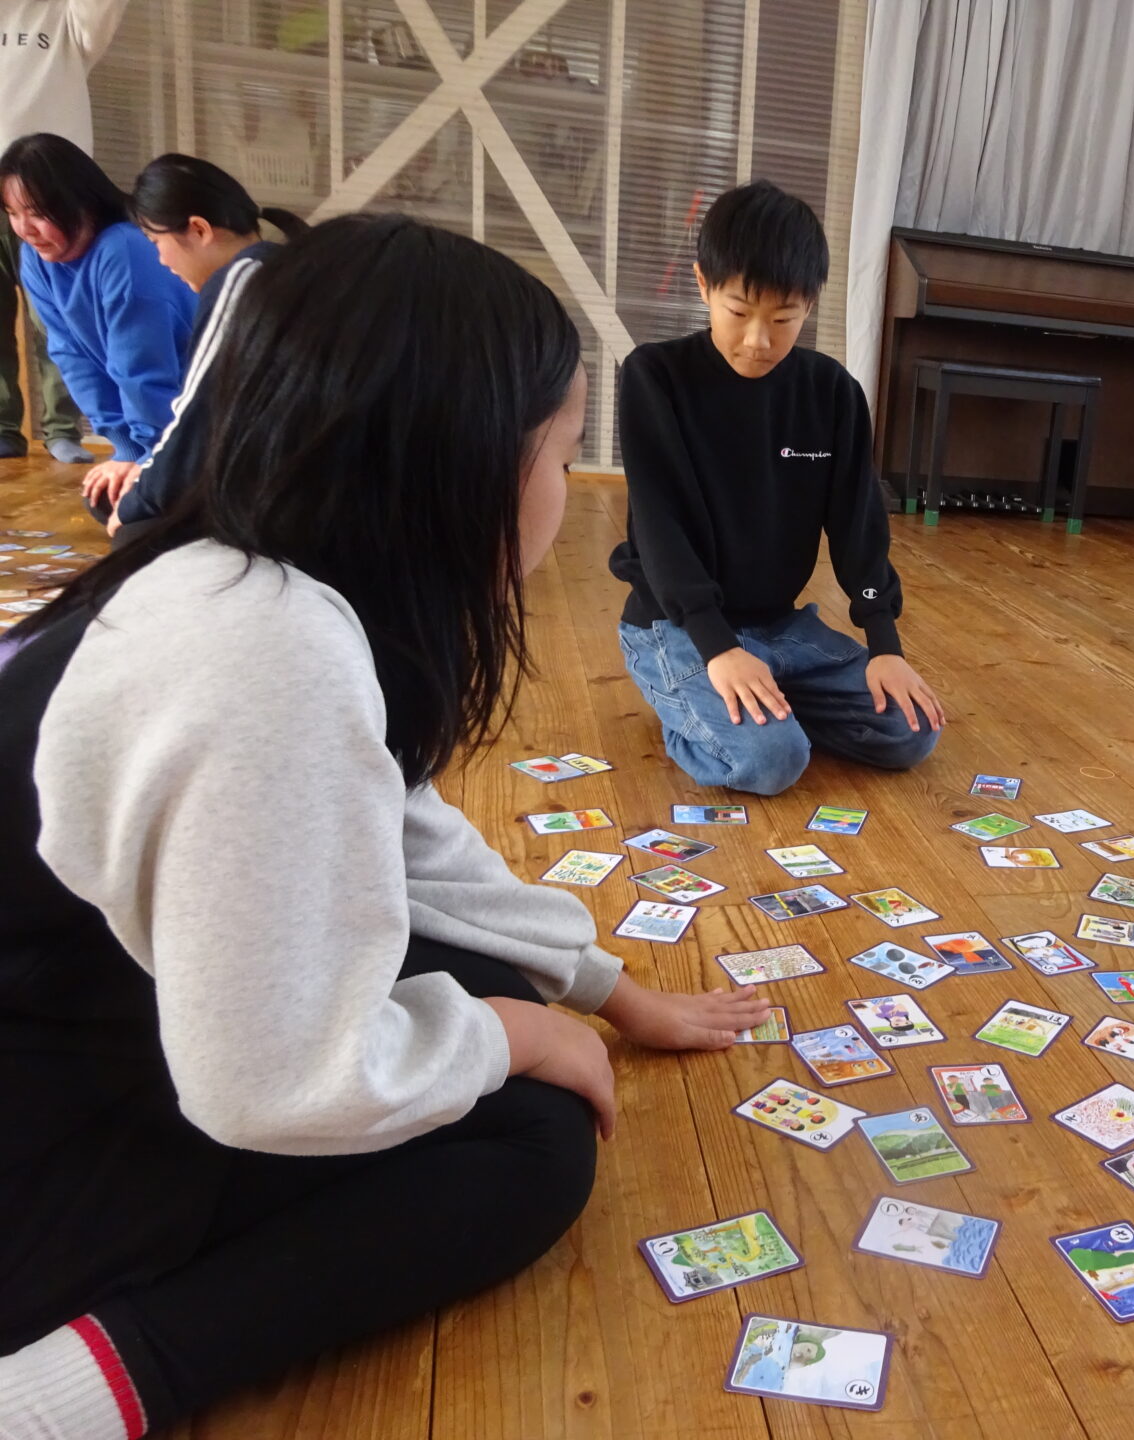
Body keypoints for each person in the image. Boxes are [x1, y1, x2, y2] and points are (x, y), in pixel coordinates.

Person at [0, 213, 770, 1440]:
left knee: (470, 975)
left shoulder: (245, 573)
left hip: (81, 1010)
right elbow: (265, 1087)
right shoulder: (271, 652)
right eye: (562, 457)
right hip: (40, 1137)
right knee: (534, 1147)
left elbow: (407, 842)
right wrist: (511, 1032)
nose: (568, 496)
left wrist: (605, 991)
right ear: (458, 464)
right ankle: (82, 1388)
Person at [610, 179, 943, 796]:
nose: (758, 339)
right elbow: (660, 529)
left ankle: (767, 697)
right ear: (704, 285)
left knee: (910, 730)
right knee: (769, 762)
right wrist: (717, 646)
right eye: (738, 312)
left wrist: (885, 645)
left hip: (780, 628)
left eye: (783, 318)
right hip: (678, 626)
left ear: (810, 305)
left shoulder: (833, 393)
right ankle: (694, 702)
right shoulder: (654, 378)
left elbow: (857, 526)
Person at [111, 153, 309, 543]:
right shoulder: (287, 264)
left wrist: (137, 499)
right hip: (296, 486)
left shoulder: (240, 279)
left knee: (132, 527)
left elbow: (195, 416)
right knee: (130, 494)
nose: (161, 260)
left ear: (199, 229)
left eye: (156, 242)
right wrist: (147, 471)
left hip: (285, 504)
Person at [0, 133, 194, 517]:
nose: (25, 229)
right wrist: (123, 447)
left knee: (136, 510)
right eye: (11, 213)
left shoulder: (124, 247)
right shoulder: (37, 260)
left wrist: (146, 456)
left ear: (80, 202)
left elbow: (141, 366)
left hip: (200, 421)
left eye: (37, 212)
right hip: (158, 427)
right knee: (106, 502)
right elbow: (71, 356)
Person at [0, 0, 127, 464]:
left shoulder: (66, 16)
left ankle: (61, 428)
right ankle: (2, 428)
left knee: (59, 319)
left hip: (50, 196)